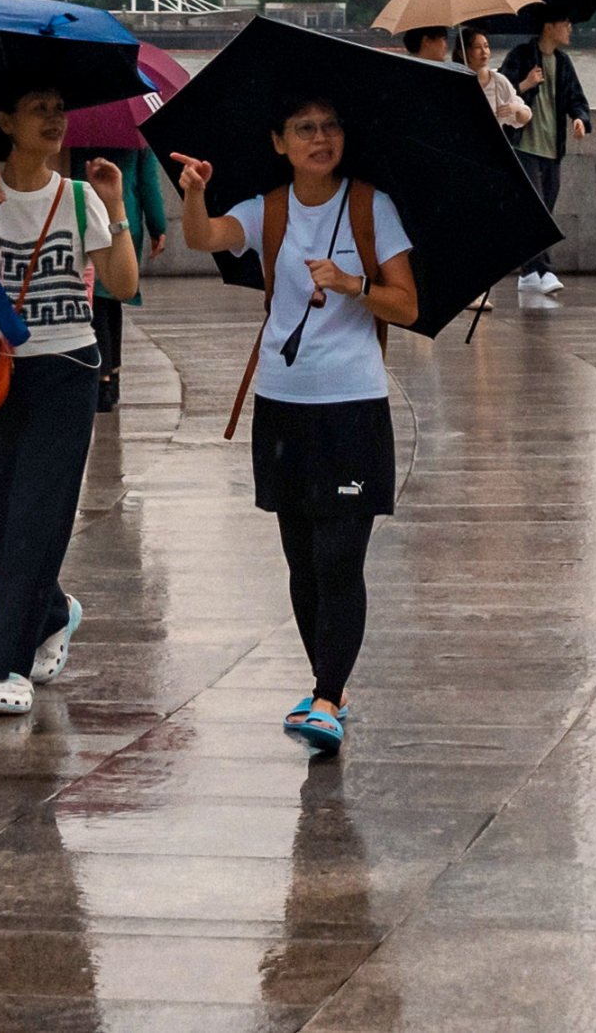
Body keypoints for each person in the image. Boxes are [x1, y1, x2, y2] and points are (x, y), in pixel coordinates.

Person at [168, 100, 421, 758]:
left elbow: (408, 302)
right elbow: (206, 238)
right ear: (278, 141)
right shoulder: (268, 209)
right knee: (303, 562)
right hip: (282, 403)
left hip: (353, 404)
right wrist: (193, 194)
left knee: (341, 557)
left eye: (332, 126)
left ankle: (329, 697)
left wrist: (350, 281)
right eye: (305, 128)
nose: (320, 138)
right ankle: (325, 687)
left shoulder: (372, 207)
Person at [0, 85, 143, 716]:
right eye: (39, 109)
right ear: (4, 120)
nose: (56, 119)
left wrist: (114, 208)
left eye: (61, 107)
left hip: (65, 369)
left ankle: (7, 667)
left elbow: (121, 283)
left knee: (37, 518)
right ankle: (54, 608)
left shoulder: (78, 196)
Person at [505, 13, 592, 303]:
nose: (570, 29)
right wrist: (526, 84)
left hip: (552, 149)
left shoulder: (563, 63)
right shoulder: (521, 56)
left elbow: (577, 100)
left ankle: (529, 272)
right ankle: (542, 270)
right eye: (565, 24)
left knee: (544, 210)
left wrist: (579, 119)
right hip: (524, 147)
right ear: (548, 26)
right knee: (538, 211)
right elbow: (501, 96)